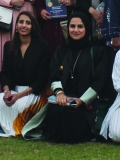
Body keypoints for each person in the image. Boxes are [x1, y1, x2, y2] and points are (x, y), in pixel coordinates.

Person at [45, 13, 110, 143]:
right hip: (64, 99)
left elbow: (100, 80)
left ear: (87, 28)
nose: (75, 30)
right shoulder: (61, 50)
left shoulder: (97, 51)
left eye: (80, 26)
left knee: (74, 117)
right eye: (72, 26)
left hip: (86, 101)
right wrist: (60, 93)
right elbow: (54, 75)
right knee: (57, 112)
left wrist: (81, 100)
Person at [0, 11, 51, 139]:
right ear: (16, 25)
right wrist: (7, 91)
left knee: (20, 104)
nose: (24, 25)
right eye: (21, 22)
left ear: (33, 26)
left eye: (28, 23)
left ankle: (19, 128)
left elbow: (42, 79)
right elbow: (4, 74)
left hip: (34, 92)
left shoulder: (42, 46)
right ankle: (10, 127)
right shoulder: (9, 45)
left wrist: (19, 95)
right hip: (14, 90)